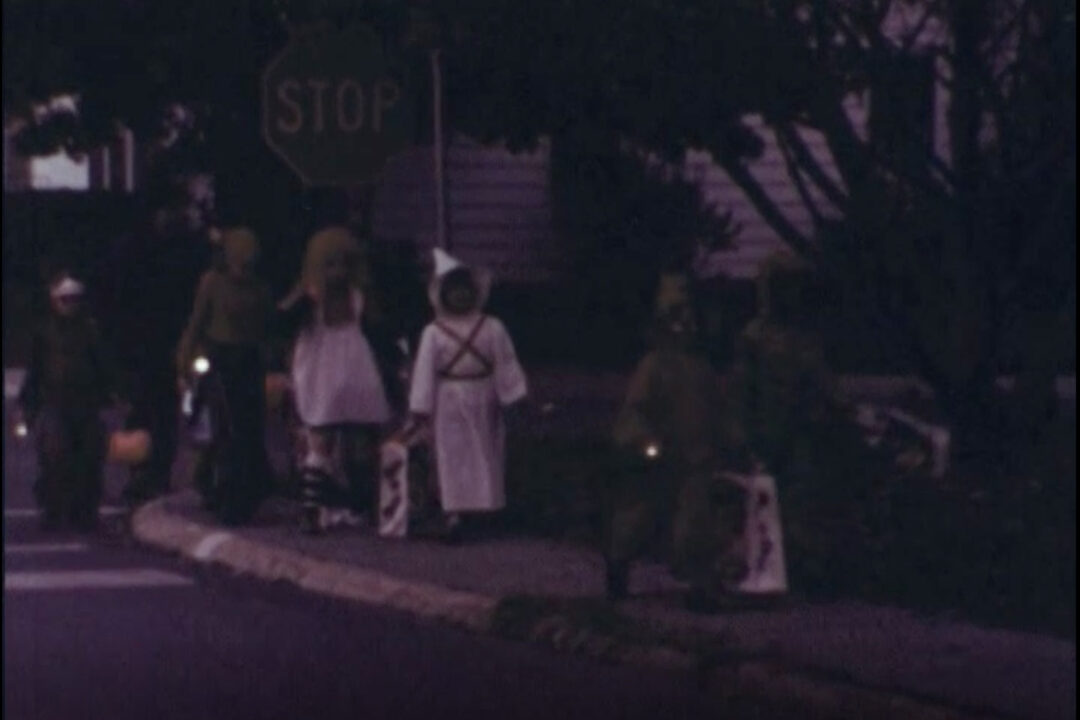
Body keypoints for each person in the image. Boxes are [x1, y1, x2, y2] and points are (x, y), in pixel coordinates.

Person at [604, 273, 748, 612]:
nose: (686, 325)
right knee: (637, 517)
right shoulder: (653, 366)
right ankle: (618, 562)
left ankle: (698, 584)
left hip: (696, 457)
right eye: (677, 317)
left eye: (689, 318)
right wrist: (642, 439)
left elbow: (718, 409)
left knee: (694, 523)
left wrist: (735, 439)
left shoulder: (702, 369)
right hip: (660, 456)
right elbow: (636, 408)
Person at [279, 226, 395, 533]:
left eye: (344, 264)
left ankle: (353, 505)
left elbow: (378, 328)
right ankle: (314, 508)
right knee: (321, 441)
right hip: (327, 373)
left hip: (351, 373)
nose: (338, 272)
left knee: (356, 442)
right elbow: (282, 322)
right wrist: (305, 299)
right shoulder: (310, 299)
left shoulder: (356, 298)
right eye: (330, 265)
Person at [408, 249, 528, 541]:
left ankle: (486, 509)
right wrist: (420, 408)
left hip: (484, 397)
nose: (460, 296)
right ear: (442, 295)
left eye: (465, 290)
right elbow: (424, 371)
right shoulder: (433, 333)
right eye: (454, 291)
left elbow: (505, 363)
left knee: (486, 453)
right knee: (452, 456)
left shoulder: (492, 327)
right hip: (448, 400)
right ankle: (455, 512)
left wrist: (512, 397)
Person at [106, 196, 214, 505]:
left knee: (157, 412)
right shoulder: (171, 252)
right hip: (151, 343)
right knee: (152, 411)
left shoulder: (144, 250)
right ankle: (147, 473)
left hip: (156, 343)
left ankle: (151, 474)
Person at [176, 227, 274, 525]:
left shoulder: (260, 289)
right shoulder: (212, 283)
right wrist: (184, 362)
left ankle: (247, 493)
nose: (243, 270)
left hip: (249, 362)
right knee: (224, 429)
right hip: (220, 360)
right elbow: (196, 323)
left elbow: (267, 328)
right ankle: (223, 491)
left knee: (249, 430)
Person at [17, 271, 118, 531]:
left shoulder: (90, 330)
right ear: (54, 301)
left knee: (90, 457)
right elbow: (36, 369)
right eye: (65, 299)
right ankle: (52, 510)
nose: (70, 304)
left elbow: (101, 364)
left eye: (74, 299)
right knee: (54, 457)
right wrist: (27, 403)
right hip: (55, 402)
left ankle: (85, 512)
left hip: (86, 402)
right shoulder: (44, 332)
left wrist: (111, 393)